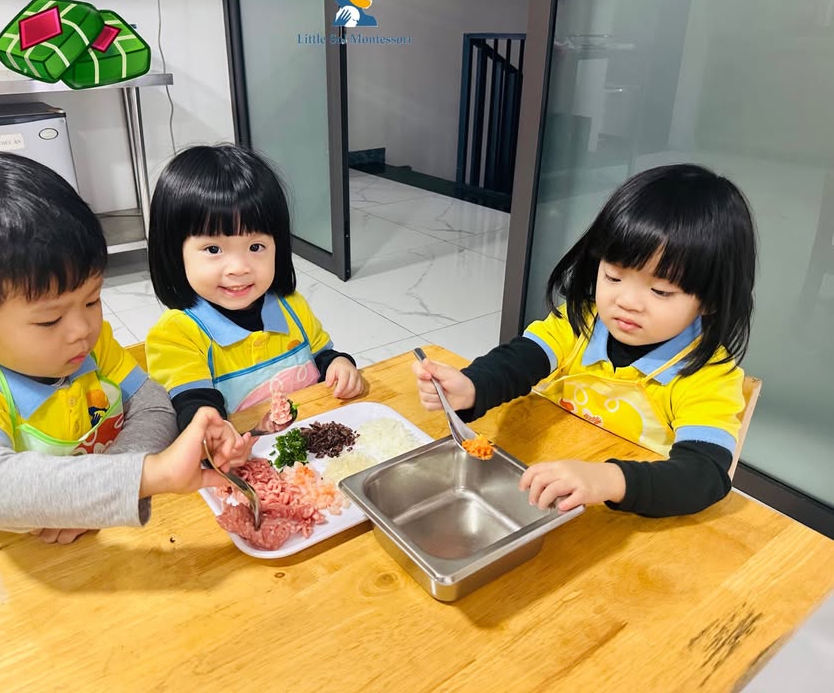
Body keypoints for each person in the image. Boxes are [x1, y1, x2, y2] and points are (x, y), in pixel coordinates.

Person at [0, 152, 252, 543]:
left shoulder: (94, 346)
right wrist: (146, 475)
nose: (83, 330)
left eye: (92, 300)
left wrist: (100, 495)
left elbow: (153, 404)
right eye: (49, 320)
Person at [414, 164, 757, 517]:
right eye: (613, 277)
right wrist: (472, 386)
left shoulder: (707, 376)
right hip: (540, 486)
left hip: (627, 515)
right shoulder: (581, 321)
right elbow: (521, 359)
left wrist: (609, 479)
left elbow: (705, 475)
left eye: (660, 291)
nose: (627, 301)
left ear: (711, 300)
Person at [146, 144, 365, 432]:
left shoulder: (292, 306)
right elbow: (193, 405)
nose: (239, 268)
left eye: (256, 246)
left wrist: (339, 364)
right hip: (243, 456)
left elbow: (321, 356)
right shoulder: (177, 334)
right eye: (213, 249)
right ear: (175, 253)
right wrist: (208, 427)